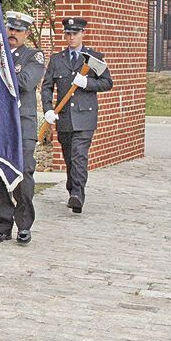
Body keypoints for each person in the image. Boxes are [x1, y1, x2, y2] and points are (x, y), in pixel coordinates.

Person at [40, 17, 113, 214]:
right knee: (69, 157)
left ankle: (78, 195)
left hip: (85, 117)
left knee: (79, 155)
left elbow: (107, 83)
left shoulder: (93, 58)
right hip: (63, 117)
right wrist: (48, 109)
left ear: (83, 34)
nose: (71, 37)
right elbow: (46, 87)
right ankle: (72, 188)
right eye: (68, 34)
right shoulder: (57, 59)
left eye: (75, 33)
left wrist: (87, 84)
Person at [0, 11, 45, 245]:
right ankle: (2, 225)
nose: (13, 34)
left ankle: (24, 224)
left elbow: (25, 82)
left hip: (21, 125)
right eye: (10, 28)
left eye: (19, 30)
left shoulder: (34, 56)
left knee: (23, 174)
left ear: (27, 33)